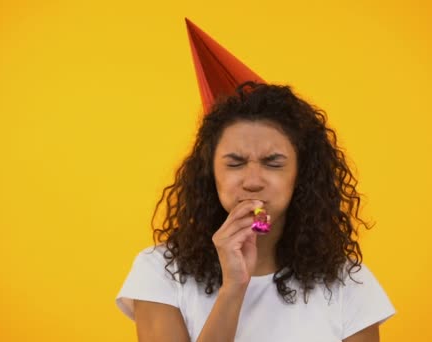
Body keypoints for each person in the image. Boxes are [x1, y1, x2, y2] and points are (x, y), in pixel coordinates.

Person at [116, 82, 396, 342]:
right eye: (235, 163)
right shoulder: (160, 271)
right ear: (209, 173)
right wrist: (233, 289)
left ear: (301, 176)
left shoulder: (348, 282)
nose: (252, 181)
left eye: (273, 163)